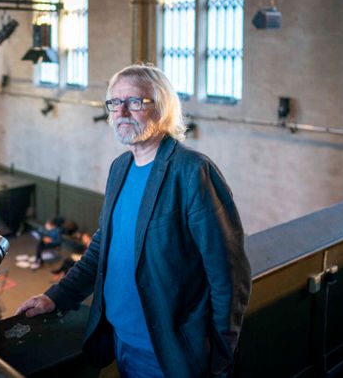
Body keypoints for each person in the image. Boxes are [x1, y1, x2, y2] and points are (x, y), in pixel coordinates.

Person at [16, 64, 251, 377]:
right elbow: (102, 248)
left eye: (135, 101)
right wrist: (56, 296)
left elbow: (229, 274)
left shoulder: (192, 171)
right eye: (115, 102)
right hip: (122, 344)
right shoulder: (120, 168)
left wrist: (220, 354)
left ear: (163, 107)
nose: (122, 111)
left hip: (172, 355)